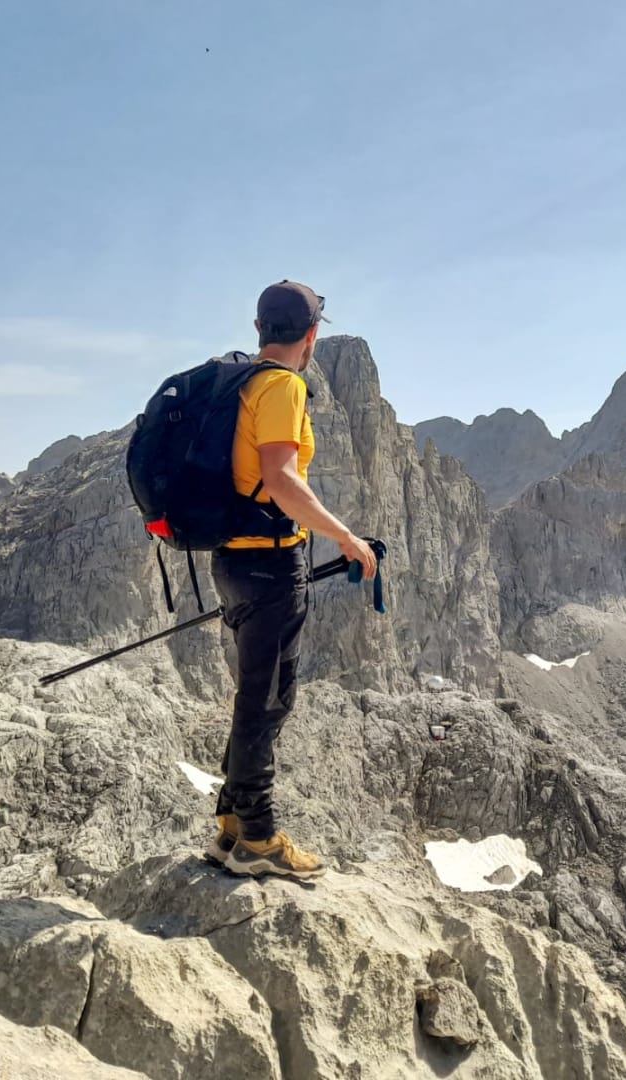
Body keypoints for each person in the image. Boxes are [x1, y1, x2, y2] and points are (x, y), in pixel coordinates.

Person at [206, 280, 377, 880]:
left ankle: (231, 824)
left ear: (260, 329)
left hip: (231, 560)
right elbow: (280, 479)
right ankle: (258, 837)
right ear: (309, 336)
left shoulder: (240, 383)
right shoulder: (281, 385)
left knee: (260, 691)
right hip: (269, 562)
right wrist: (343, 536)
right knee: (268, 698)